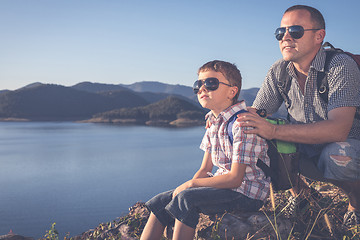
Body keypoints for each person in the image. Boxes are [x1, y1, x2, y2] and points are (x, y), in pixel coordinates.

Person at [237, 5, 360, 227]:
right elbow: (259, 112)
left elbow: (339, 130)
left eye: (295, 31)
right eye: (280, 32)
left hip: (348, 150)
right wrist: (224, 116)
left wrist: (274, 130)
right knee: (256, 137)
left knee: (337, 154)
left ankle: (356, 204)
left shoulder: (340, 65)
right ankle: (304, 196)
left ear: (319, 36)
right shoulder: (279, 70)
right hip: (305, 148)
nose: (285, 37)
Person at [140, 60, 270, 240]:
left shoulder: (242, 124)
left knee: (187, 200)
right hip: (225, 188)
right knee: (161, 201)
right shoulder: (213, 122)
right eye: (198, 85)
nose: (202, 89)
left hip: (247, 193)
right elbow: (205, 169)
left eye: (210, 84)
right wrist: (185, 189)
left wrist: (190, 186)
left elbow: (235, 179)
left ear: (232, 91)